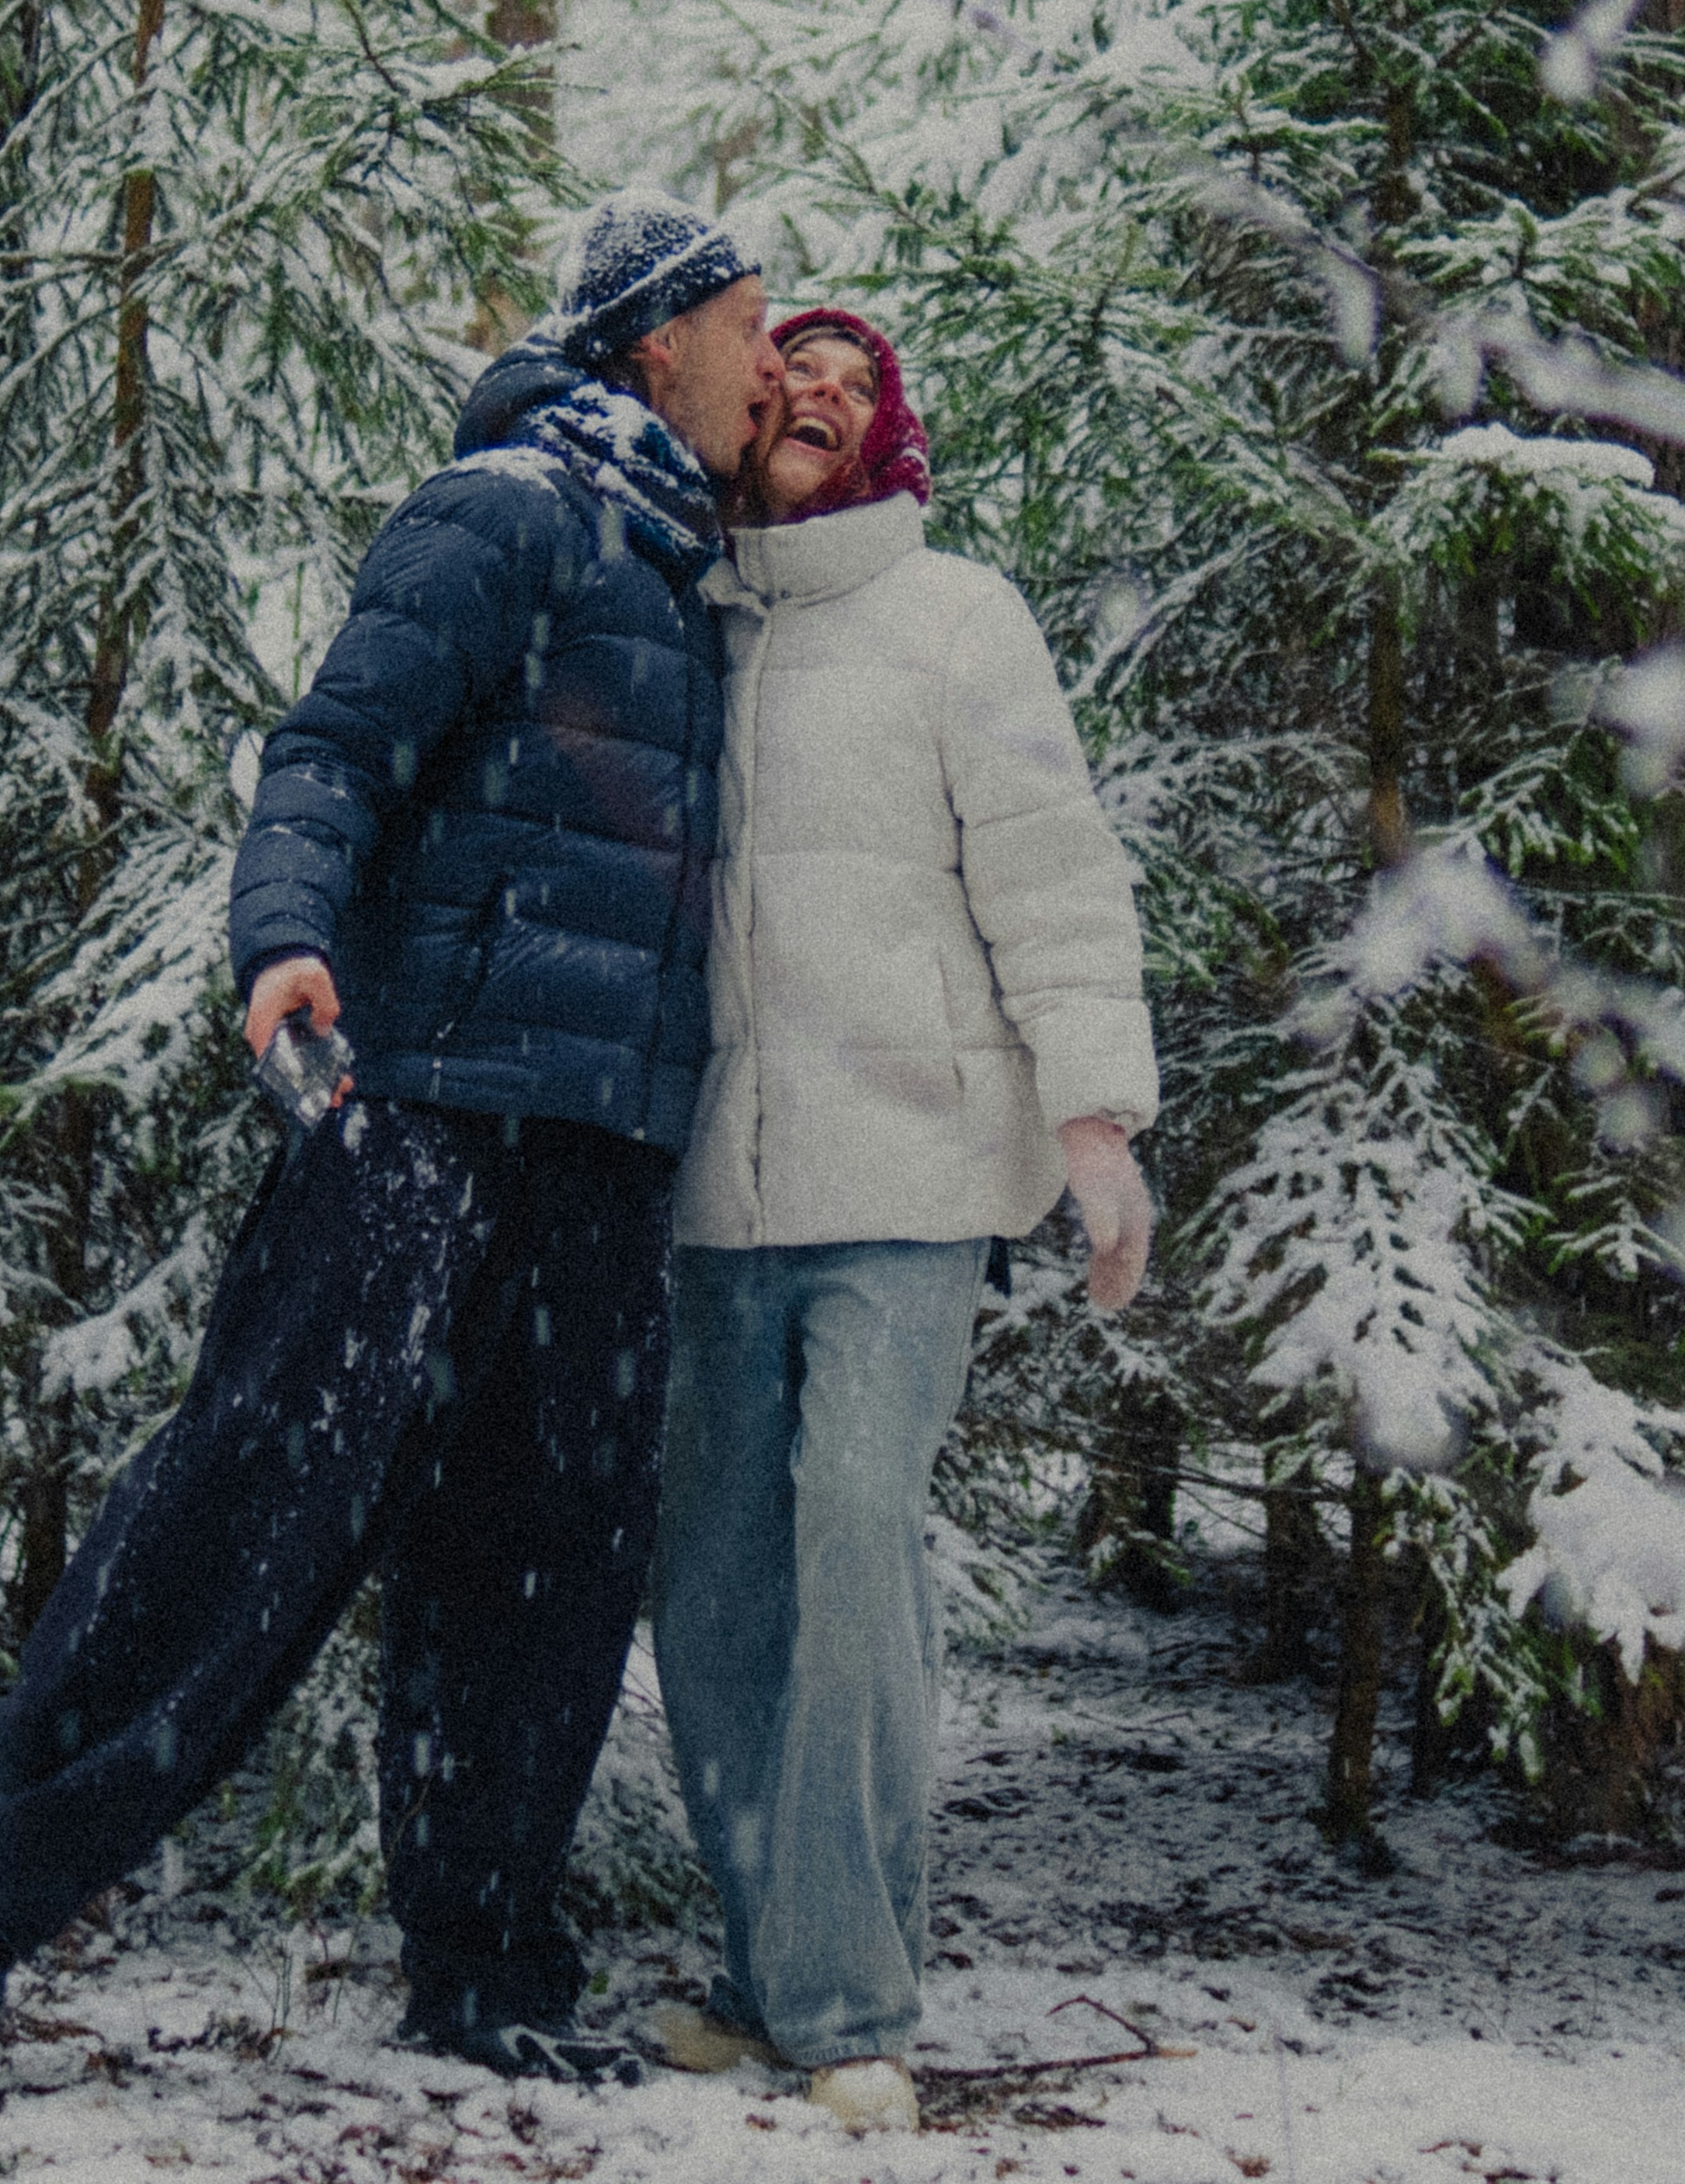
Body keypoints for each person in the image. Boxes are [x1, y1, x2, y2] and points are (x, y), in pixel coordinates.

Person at [0, 192, 782, 2106]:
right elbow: (333, 751)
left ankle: (483, 1959)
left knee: (545, 1568)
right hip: (424, 1110)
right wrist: (287, 938)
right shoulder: (506, 515)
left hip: (598, 1150)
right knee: (253, 1519)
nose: (776, 365)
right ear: (655, 345)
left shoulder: (700, 575)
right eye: (752, 329)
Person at [643, 306, 1158, 2136]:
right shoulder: (679, 605)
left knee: (854, 1538)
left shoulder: (961, 617)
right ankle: (761, 1967)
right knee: (709, 1585)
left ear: (894, 435)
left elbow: (1054, 871)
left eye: (863, 387)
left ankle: (851, 1997)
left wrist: (1092, 1117)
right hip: (713, 1181)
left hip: (913, 1177)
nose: (824, 401)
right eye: (799, 374)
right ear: (748, 401)